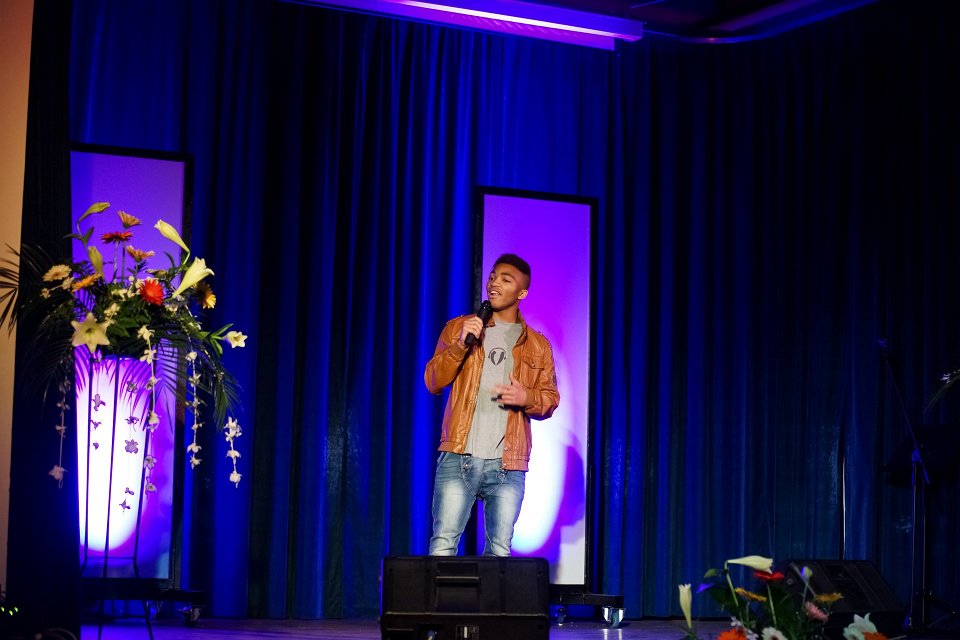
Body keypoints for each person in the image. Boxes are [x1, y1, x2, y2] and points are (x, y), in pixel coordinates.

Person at [424, 253, 559, 556]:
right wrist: (460, 345)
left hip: (507, 465)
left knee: (499, 553)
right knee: (443, 545)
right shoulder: (459, 328)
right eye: (493, 276)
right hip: (459, 455)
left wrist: (527, 398)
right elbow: (433, 380)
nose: (494, 283)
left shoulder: (538, 345)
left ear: (521, 293)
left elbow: (550, 399)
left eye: (505, 280)